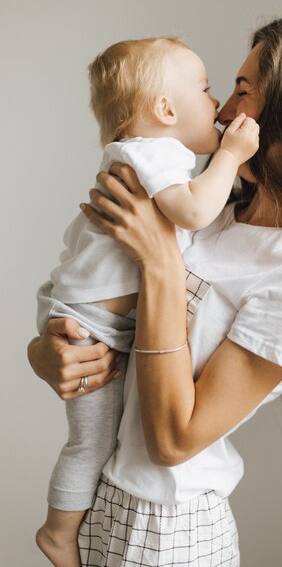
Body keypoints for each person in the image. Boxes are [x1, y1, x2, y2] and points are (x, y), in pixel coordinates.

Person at [28, 12, 282, 567]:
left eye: (241, 91)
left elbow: (175, 440)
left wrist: (159, 263)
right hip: (102, 497)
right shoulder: (215, 210)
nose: (224, 111)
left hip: (170, 525)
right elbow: (91, 279)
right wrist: (50, 352)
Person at [35, 36, 259, 567]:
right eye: (207, 90)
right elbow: (193, 213)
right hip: (89, 328)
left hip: (90, 320)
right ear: (164, 109)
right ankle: (57, 535)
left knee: (96, 443)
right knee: (89, 445)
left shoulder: (159, 158)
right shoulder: (150, 153)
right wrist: (229, 155)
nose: (218, 106)